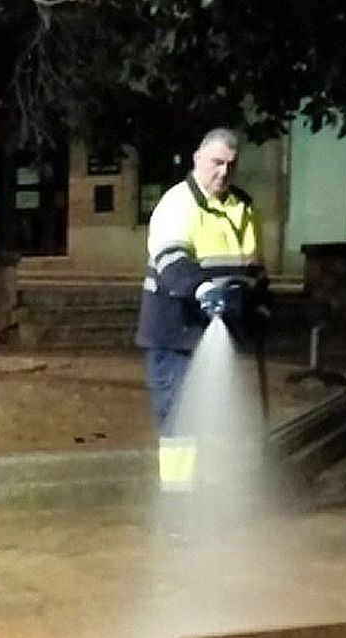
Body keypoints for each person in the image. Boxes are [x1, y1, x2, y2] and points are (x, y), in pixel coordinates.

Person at [136, 128, 268, 434]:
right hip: (175, 337)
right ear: (197, 159)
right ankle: (177, 484)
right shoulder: (178, 204)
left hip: (224, 332)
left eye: (231, 165)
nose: (223, 172)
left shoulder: (244, 208)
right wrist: (202, 288)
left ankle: (209, 482)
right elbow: (170, 258)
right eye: (216, 162)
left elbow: (254, 269)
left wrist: (260, 305)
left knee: (216, 426)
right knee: (178, 425)